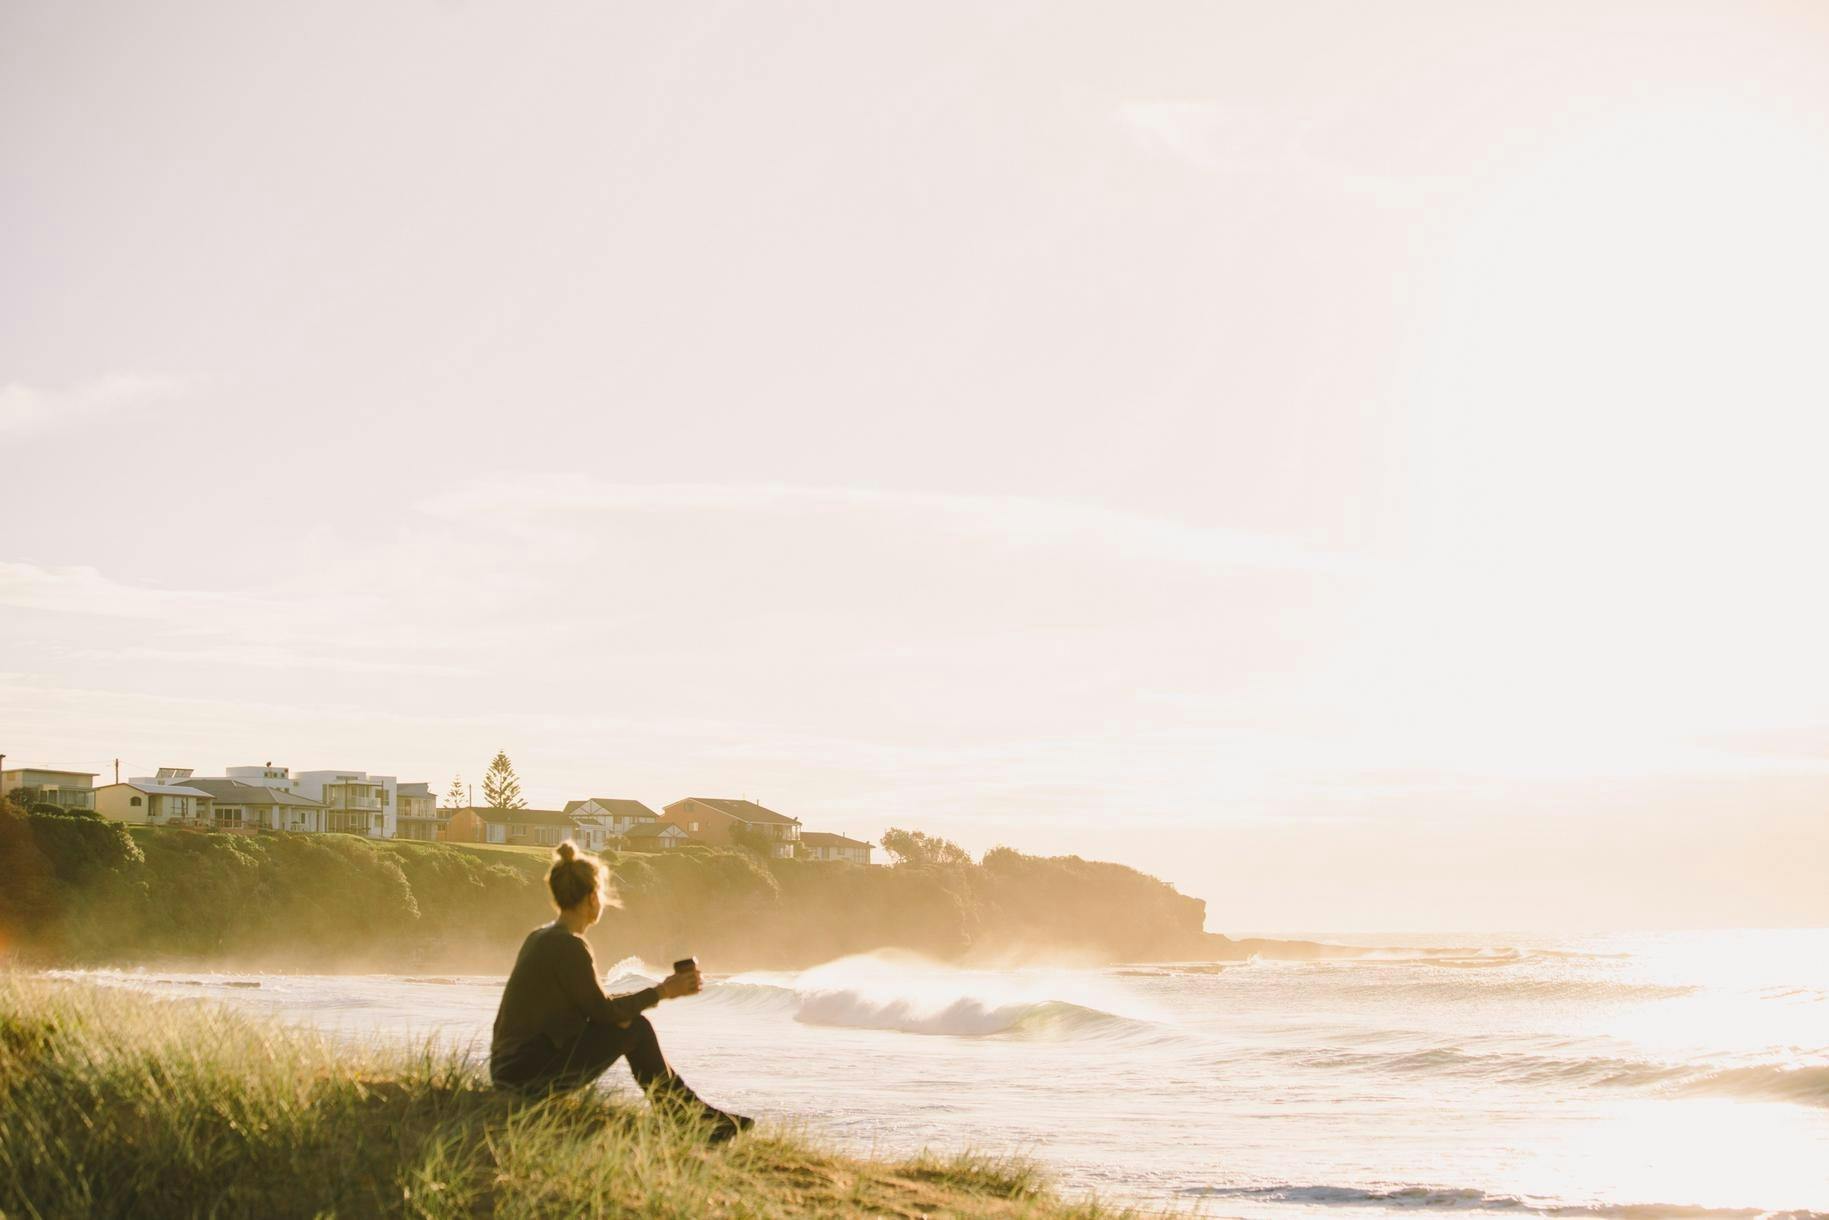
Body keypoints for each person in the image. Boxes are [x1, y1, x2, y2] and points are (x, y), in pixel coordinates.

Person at [490, 840, 753, 1142]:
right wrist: (662, 992)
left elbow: (594, 1006)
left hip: (510, 1069)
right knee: (637, 1029)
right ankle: (693, 1122)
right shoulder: (569, 945)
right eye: (600, 894)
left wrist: (657, 993)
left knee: (631, 1024)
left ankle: (696, 1118)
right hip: (529, 1077)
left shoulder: (541, 937)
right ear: (591, 898)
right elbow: (601, 1011)